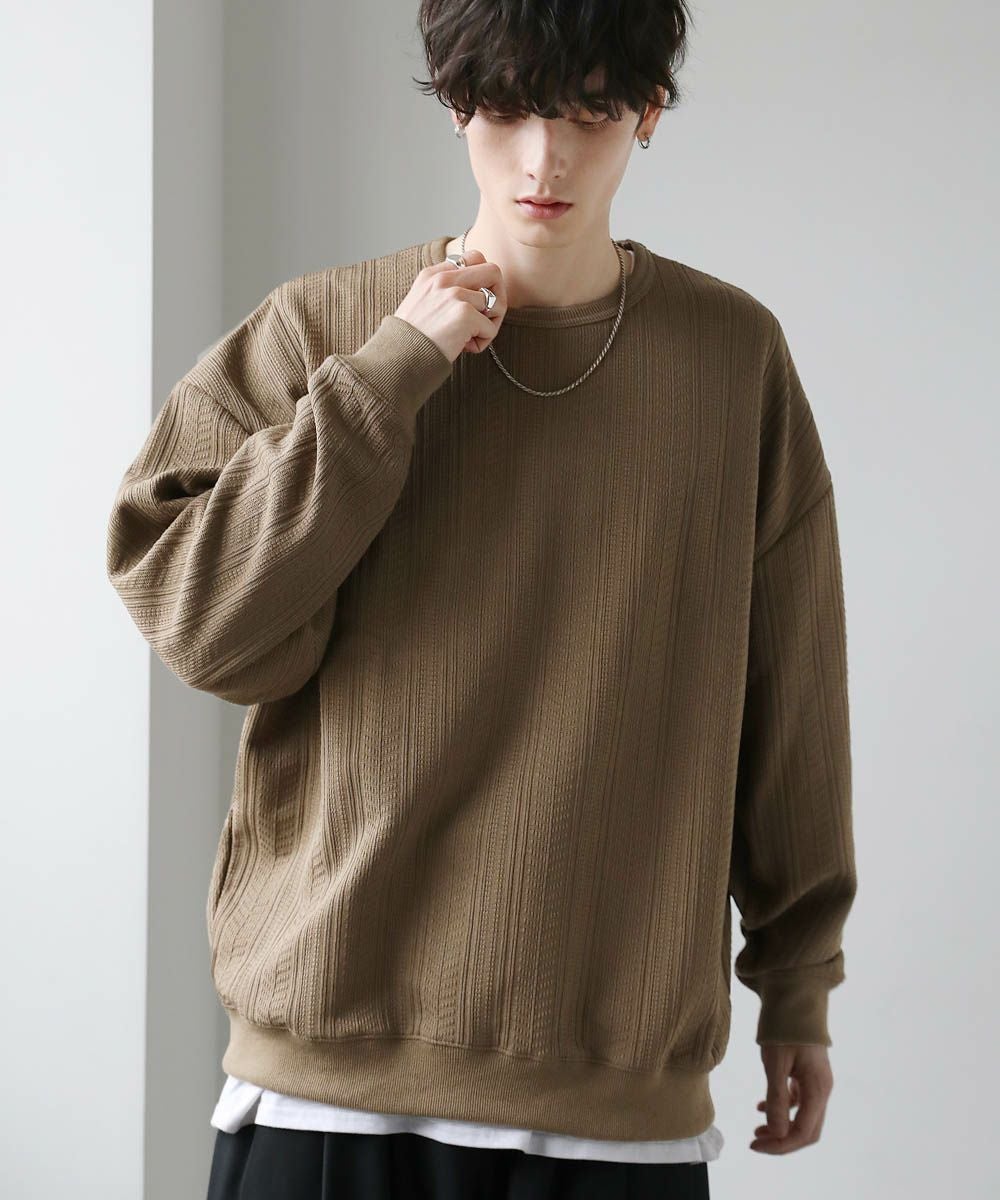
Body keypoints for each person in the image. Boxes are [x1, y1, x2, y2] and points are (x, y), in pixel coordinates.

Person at [105, 2, 857, 1197]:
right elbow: (207, 631)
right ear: (456, 104)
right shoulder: (323, 330)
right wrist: (390, 375)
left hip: (610, 1109)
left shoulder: (730, 362)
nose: (543, 159)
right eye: (507, 109)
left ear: (648, 114)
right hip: (328, 1090)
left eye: (589, 113)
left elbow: (791, 699)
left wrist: (797, 986)